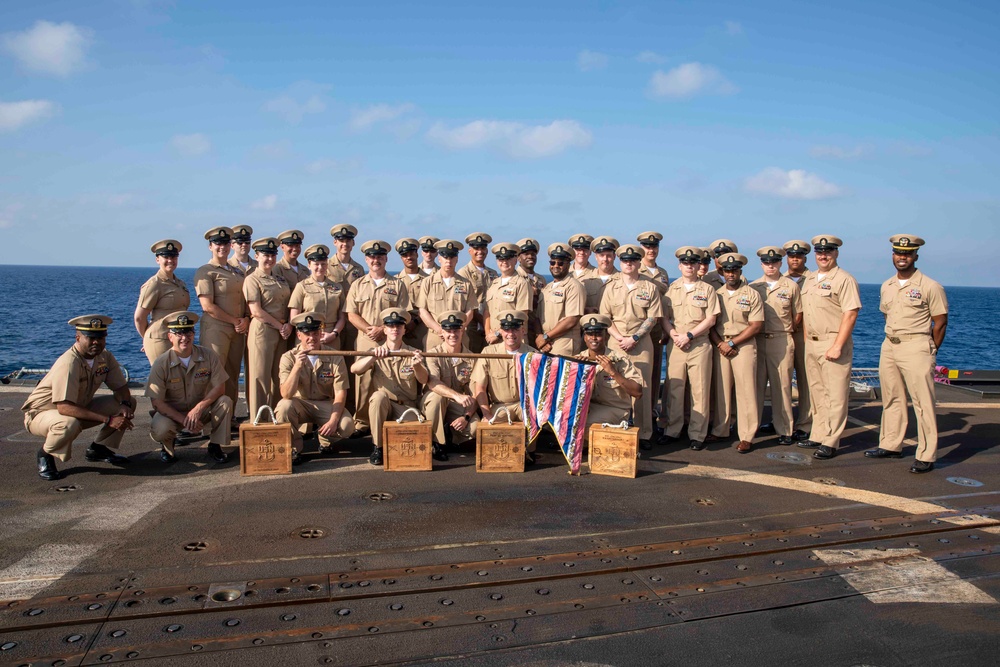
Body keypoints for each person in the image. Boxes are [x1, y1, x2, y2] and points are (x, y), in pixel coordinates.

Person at [866, 235, 948, 474]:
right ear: (893, 255)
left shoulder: (930, 286)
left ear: (916, 256)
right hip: (889, 345)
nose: (902, 257)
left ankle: (926, 454)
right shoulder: (887, 285)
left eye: (908, 253)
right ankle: (891, 445)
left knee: (923, 403)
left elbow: (940, 321)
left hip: (917, 345)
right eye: (898, 253)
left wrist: (930, 350)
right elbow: (887, 315)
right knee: (891, 397)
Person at [23, 315, 136, 481]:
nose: (96, 342)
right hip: (43, 413)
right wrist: (108, 419)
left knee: (128, 403)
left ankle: (98, 449)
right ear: (78, 338)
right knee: (68, 424)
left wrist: (125, 403)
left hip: (78, 407)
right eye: (90, 338)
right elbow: (64, 407)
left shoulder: (105, 357)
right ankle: (45, 454)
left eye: (100, 337)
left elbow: (120, 388)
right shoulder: (69, 363)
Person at [797, 235, 861, 460]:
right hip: (812, 343)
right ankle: (818, 433)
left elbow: (850, 314)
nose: (823, 256)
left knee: (835, 395)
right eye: (819, 252)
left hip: (833, 342)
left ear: (836, 253)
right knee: (817, 392)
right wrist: (806, 340)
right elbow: (807, 313)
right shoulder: (810, 279)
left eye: (828, 251)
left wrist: (838, 345)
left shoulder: (844, 279)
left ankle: (831, 440)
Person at [147, 312, 233, 464]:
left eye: (188, 332)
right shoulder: (161, 363)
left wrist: (198, 409)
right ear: (170, 337)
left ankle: (215, 445)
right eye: (178, 333)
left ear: (194, 334)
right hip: (173, 413)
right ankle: (167, 446)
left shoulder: (208, 355)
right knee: (160, 428)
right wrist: (184, 420)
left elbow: (220, 387)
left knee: (225, 402)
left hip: (199, 410)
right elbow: (157, 402)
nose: (184, 338)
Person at [599, 244, 663, 449]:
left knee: (642, 387)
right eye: (626, 261)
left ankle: (644, 434)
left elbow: (652, 317)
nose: (629, 264)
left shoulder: (650, 287)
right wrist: (620, 338)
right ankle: (619, 427)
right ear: (620, 262)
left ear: (639, 262)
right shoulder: (611, 287)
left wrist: (634, 337)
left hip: (641, 344)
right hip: (615, 342)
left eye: (633, 260)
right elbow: (605, 318)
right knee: (615, 386)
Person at [345, 240, 411, 432]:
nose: (376, 260)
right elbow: (351, 314)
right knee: (364, 381)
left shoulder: (397, 285)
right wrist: (368, 329)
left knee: (393, 378)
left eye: (380, 257)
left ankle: (391, 414)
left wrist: (382, 329)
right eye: (373, 257)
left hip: (391, 337)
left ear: (386, 259)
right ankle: (363, 422)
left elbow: (404, 313)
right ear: (366, 259)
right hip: (365, 338)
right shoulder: (357, 285)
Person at [350, 308, 428, 465]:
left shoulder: (413, 352)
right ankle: (377, 447)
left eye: (399, 326)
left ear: (404, 330)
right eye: (391, 326)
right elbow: (355, 369)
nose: (395, 330)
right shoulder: (376, 351)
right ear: (384, 329)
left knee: (413, 441)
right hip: (384, 405)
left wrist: (418, 366)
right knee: (377, 397)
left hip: (406, 406)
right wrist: (372, 357)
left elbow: (424, 379)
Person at [275, 311, 355, 463]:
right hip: (300, 404)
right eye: (307, 334)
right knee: (284, 406)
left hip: (325, 403)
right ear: (299, 335)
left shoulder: (334, 355)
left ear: (320, 333)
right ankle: (295, 446)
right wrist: (297, 367)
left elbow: (340, 392)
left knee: (347, 426)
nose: (312, 338)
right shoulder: (288, 357)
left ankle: (325, 437)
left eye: (315, 333)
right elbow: (286, 393)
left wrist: (333, 420)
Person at [660, 246, 719, 450]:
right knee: (675, 389)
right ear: (680, 265)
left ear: (697, 266)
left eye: (693, 263)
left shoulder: (707, 290)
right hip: (676, 344)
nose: (689, 267)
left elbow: (711, 318)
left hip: (699, 344)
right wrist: (673, 334)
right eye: (685, 263)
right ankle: (673, 430)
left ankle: (697, 434)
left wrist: (690, 335)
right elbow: (665, 318)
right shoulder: (672, 289)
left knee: (699, 390)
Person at [707, 253, 764, 453]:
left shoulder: (751, 294)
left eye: (735, 270)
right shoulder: (716, 294)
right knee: (721, 390)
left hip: (743, 345)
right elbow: (711, 323)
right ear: (722, 272)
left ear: (740, 271)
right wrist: (721, 344)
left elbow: (756, 325)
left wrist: (732, 342)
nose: (731, 274)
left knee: (746, 391)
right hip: (720, 344)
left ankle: (747, 435)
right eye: (727, 271)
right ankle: (721, 429)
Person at [750, 246, 802, 445]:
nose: (770, 266)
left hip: (781, 339)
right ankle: (750, 429)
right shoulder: (754, 287)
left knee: (782, 386)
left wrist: (786, 330)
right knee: (756, 387)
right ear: (762, 264)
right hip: (758, 340)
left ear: (781, 263)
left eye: (774, 262)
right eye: (766, 262)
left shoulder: (791, 286)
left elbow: (798, 314)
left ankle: (785, 429)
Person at [472, 309, 539, 464]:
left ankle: (530, 451)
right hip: (499, 406)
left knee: (533, 420)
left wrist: (534, 411)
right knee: (484, 432)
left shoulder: (533, 354)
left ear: (523, 330)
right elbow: (480, 389)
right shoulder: (488, 353)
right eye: (507, 329)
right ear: (500, 331)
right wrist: (487, 414)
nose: (511, 334)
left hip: (525, 405)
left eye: (515, 329)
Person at [194, 226, 249, 410]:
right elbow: (207, 306)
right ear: (210, 246)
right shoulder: (205, 271)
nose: (222, 247)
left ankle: (229, 416)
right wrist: (235, 321)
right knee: (214, 374)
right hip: (216, 329)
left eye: (225, 243)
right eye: (218, 243)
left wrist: (246, 319)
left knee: (232, 373)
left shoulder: (236, 271)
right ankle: (209, 418)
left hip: (237, 330)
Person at [242, 237, 292, 419]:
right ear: (256, 256)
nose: (269, 258)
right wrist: (281, 325)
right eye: (265, 254)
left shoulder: (279, 279)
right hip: (263, 331)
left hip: (281, 332)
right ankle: (259, 420)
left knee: (280, 377)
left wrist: (287, 325)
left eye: (272, 254)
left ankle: (278, 417)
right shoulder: (252, 279)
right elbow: (255, 310)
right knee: (260, 378)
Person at [421, 311, 480, 460]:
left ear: (463, 330)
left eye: (456, 330)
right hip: (434, 402)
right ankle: (436, 443)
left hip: (457, 405)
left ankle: (451, 437)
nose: (452, 334)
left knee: (475, 430)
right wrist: (456, 396)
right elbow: (433, 383)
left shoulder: (472, 358)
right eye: (448, 331)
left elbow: (476, 394)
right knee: (437, 398)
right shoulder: (433, 354)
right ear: (442, 332)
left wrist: (466, 417)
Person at [577, 314, 643, 430]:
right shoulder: (579, 358)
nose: (593, 338)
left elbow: (637, 392)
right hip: (588, 407)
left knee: (583, 423)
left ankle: (582, 446)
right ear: (584, 337)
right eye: (590, 334)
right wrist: (576, 369)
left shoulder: (619, 360)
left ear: (606, 337)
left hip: (615, 409)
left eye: (598, 334)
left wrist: (613, 372)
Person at [135, 239, 190, 366]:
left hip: (179, 339)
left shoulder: (180, 284)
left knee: (178, 380)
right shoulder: (154, 284)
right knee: (162, 380)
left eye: (173, 257)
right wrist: (148, 339)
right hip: (161, 339)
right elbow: (139, 318)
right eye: (166, 257)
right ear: (157, 259)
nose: (170, 260)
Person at [420, 239, 479, 350]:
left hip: (459, 337)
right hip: (435, 337)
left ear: (456, 259)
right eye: (445, 257)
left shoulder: (466, 284)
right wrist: (439, 329)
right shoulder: (427, 282)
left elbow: (470, 311)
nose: (449, 261)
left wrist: (459, 329)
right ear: (439, 258)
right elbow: (423, 311)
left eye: (452, 257)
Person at [288, 244, 347, 350]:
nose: (320, 267)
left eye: (323, 264)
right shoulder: (301, 286)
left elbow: (342, 317)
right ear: (309, 265)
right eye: (316, 264)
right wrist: (310, 335)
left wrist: (334, 334)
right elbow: (294, 318)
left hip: (331, 338)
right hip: (308, 338)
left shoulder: (337, 287)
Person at [637, 231, 670, 420]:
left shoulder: (663, 273)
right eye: (647, 246)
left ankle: (650, 410)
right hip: (638, 327)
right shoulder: (634, 269)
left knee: (655, 371)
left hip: (657, 328)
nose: (651, 250)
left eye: (654, 246)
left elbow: (666, 302)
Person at [783, 239, 813, 441]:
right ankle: (783, 422)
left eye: (799, 256)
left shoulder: (814, 279)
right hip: (783, 336)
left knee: (806, 381)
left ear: (805, 257)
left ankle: (806, 423)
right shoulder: (780, 279)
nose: (795, 259)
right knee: (782, 381)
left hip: (805, 335)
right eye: (792, 256)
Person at [535, 242, 585, 356]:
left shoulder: (574, 286)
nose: (556, 266)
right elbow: (538, 317)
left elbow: (572, 319)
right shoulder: (547, 288)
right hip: (544, 343)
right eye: (553, 262)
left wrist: (546, 337)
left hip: (564, 344)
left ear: (568, 264)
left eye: (560, 263)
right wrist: (539, 336)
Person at [483, 242, 533, 346]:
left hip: (514, 341)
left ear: (516, 259)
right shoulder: (494, 284)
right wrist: (488, 333)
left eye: (508, 258)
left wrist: (498, 333)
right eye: (501, 259)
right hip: (494, 342)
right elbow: (487, 312)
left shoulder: (522, 284)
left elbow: (521, 315)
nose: (504, 262)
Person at [458, 232, 497, 353]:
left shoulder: (493, 273)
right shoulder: (463, 273)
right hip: (472, 326)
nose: (480, 251)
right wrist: (485, 323)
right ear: (470, 251)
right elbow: (467, 303)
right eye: (476, 248)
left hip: (491, 325)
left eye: (483, 248)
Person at [396, 238, 429, 349]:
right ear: (401, 258)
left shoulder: (430, 280)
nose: (409, 257)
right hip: (399, 328)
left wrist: (415, 322)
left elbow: (432, 305)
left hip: (423, 328)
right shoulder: (394, 281)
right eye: (405, 255)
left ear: (417, 254)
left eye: (411, 253)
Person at [583, 236, 619, 314]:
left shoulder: (623, 280)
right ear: (596, 257)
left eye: (608, 256)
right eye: (601, 255)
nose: (605, 259)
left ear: (614, 257)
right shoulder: (585, 280)